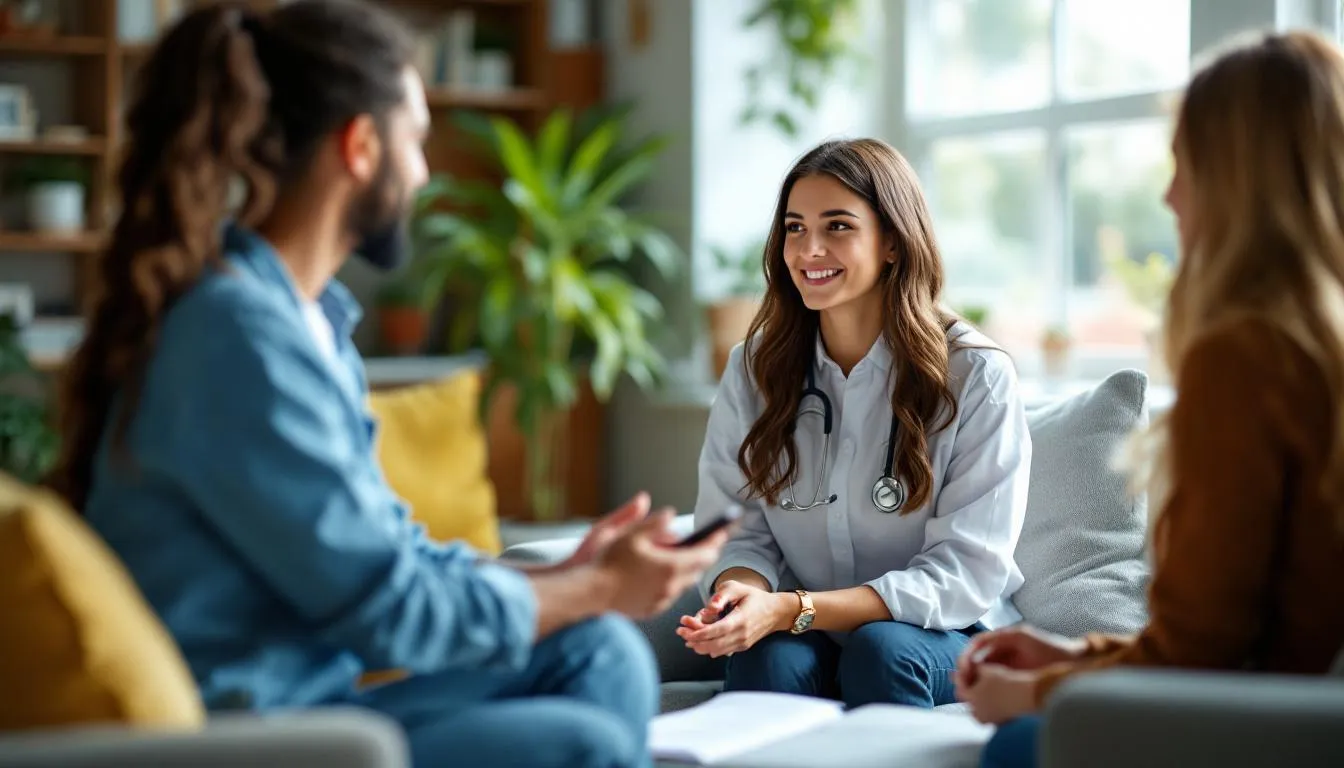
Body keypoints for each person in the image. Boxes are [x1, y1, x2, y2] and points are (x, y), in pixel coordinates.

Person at [45, 2, 728, 767]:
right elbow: (389, 612)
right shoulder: (236, 336)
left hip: (317, 698)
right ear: (361, 147)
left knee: (600, 652)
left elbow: (389, 550)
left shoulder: (307, 320)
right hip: (260, 731)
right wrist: (598, 587)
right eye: (416, 137)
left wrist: (571, 576)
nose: (425, 171)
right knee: (583, 741)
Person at [957, 29, 1344, 768]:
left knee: (1014, 745)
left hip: (1250, 727)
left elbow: (1203, 655)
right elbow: (1236, 631)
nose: (1170, 194)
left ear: (1237, 179)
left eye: (1185, 164)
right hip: (1291, 710)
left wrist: (1035, 695)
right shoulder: (1319, 347)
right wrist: (1073, 655)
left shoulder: (1247, 358)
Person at [676, 138, 1032, 709]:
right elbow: (738, 530)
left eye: (837, 226)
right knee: (765, 656)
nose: (809, 249)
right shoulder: (754, 367)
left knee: (881, 651)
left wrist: (795, 608)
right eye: (795, 228)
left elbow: (965, 572)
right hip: (802, 625)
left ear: (892, 241)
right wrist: (738, 600)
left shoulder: (976, 374)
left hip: (944, 631)